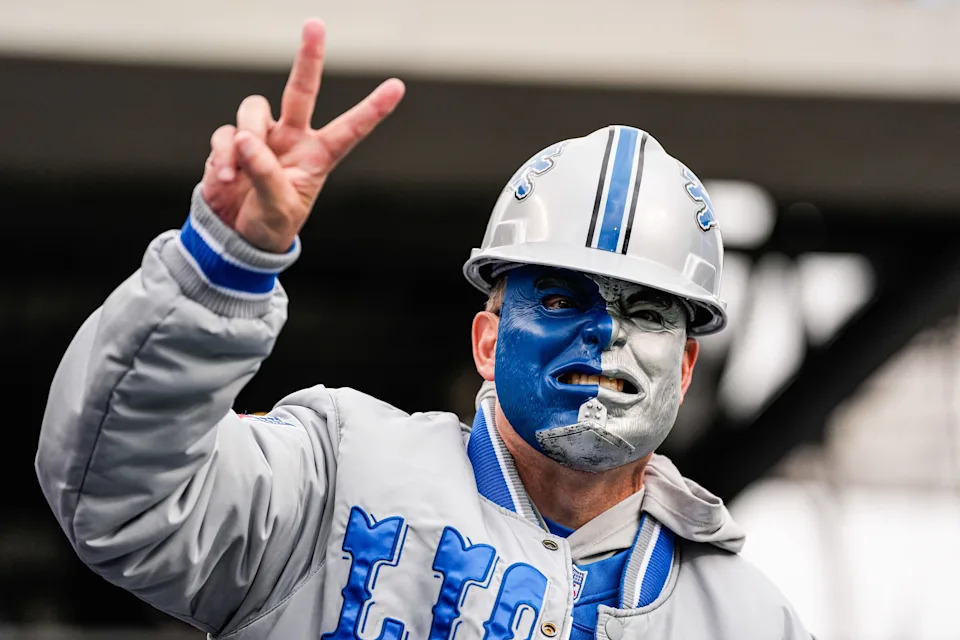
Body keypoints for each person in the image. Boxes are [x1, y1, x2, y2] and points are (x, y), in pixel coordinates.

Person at [36, 18, 811, 640]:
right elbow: (121, 495)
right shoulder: (332, 477)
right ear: (484, 341)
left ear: (684, 368)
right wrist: (222, 267)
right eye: (559, 300)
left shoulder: (750, 619)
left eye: (646, 312)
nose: (605, 334)